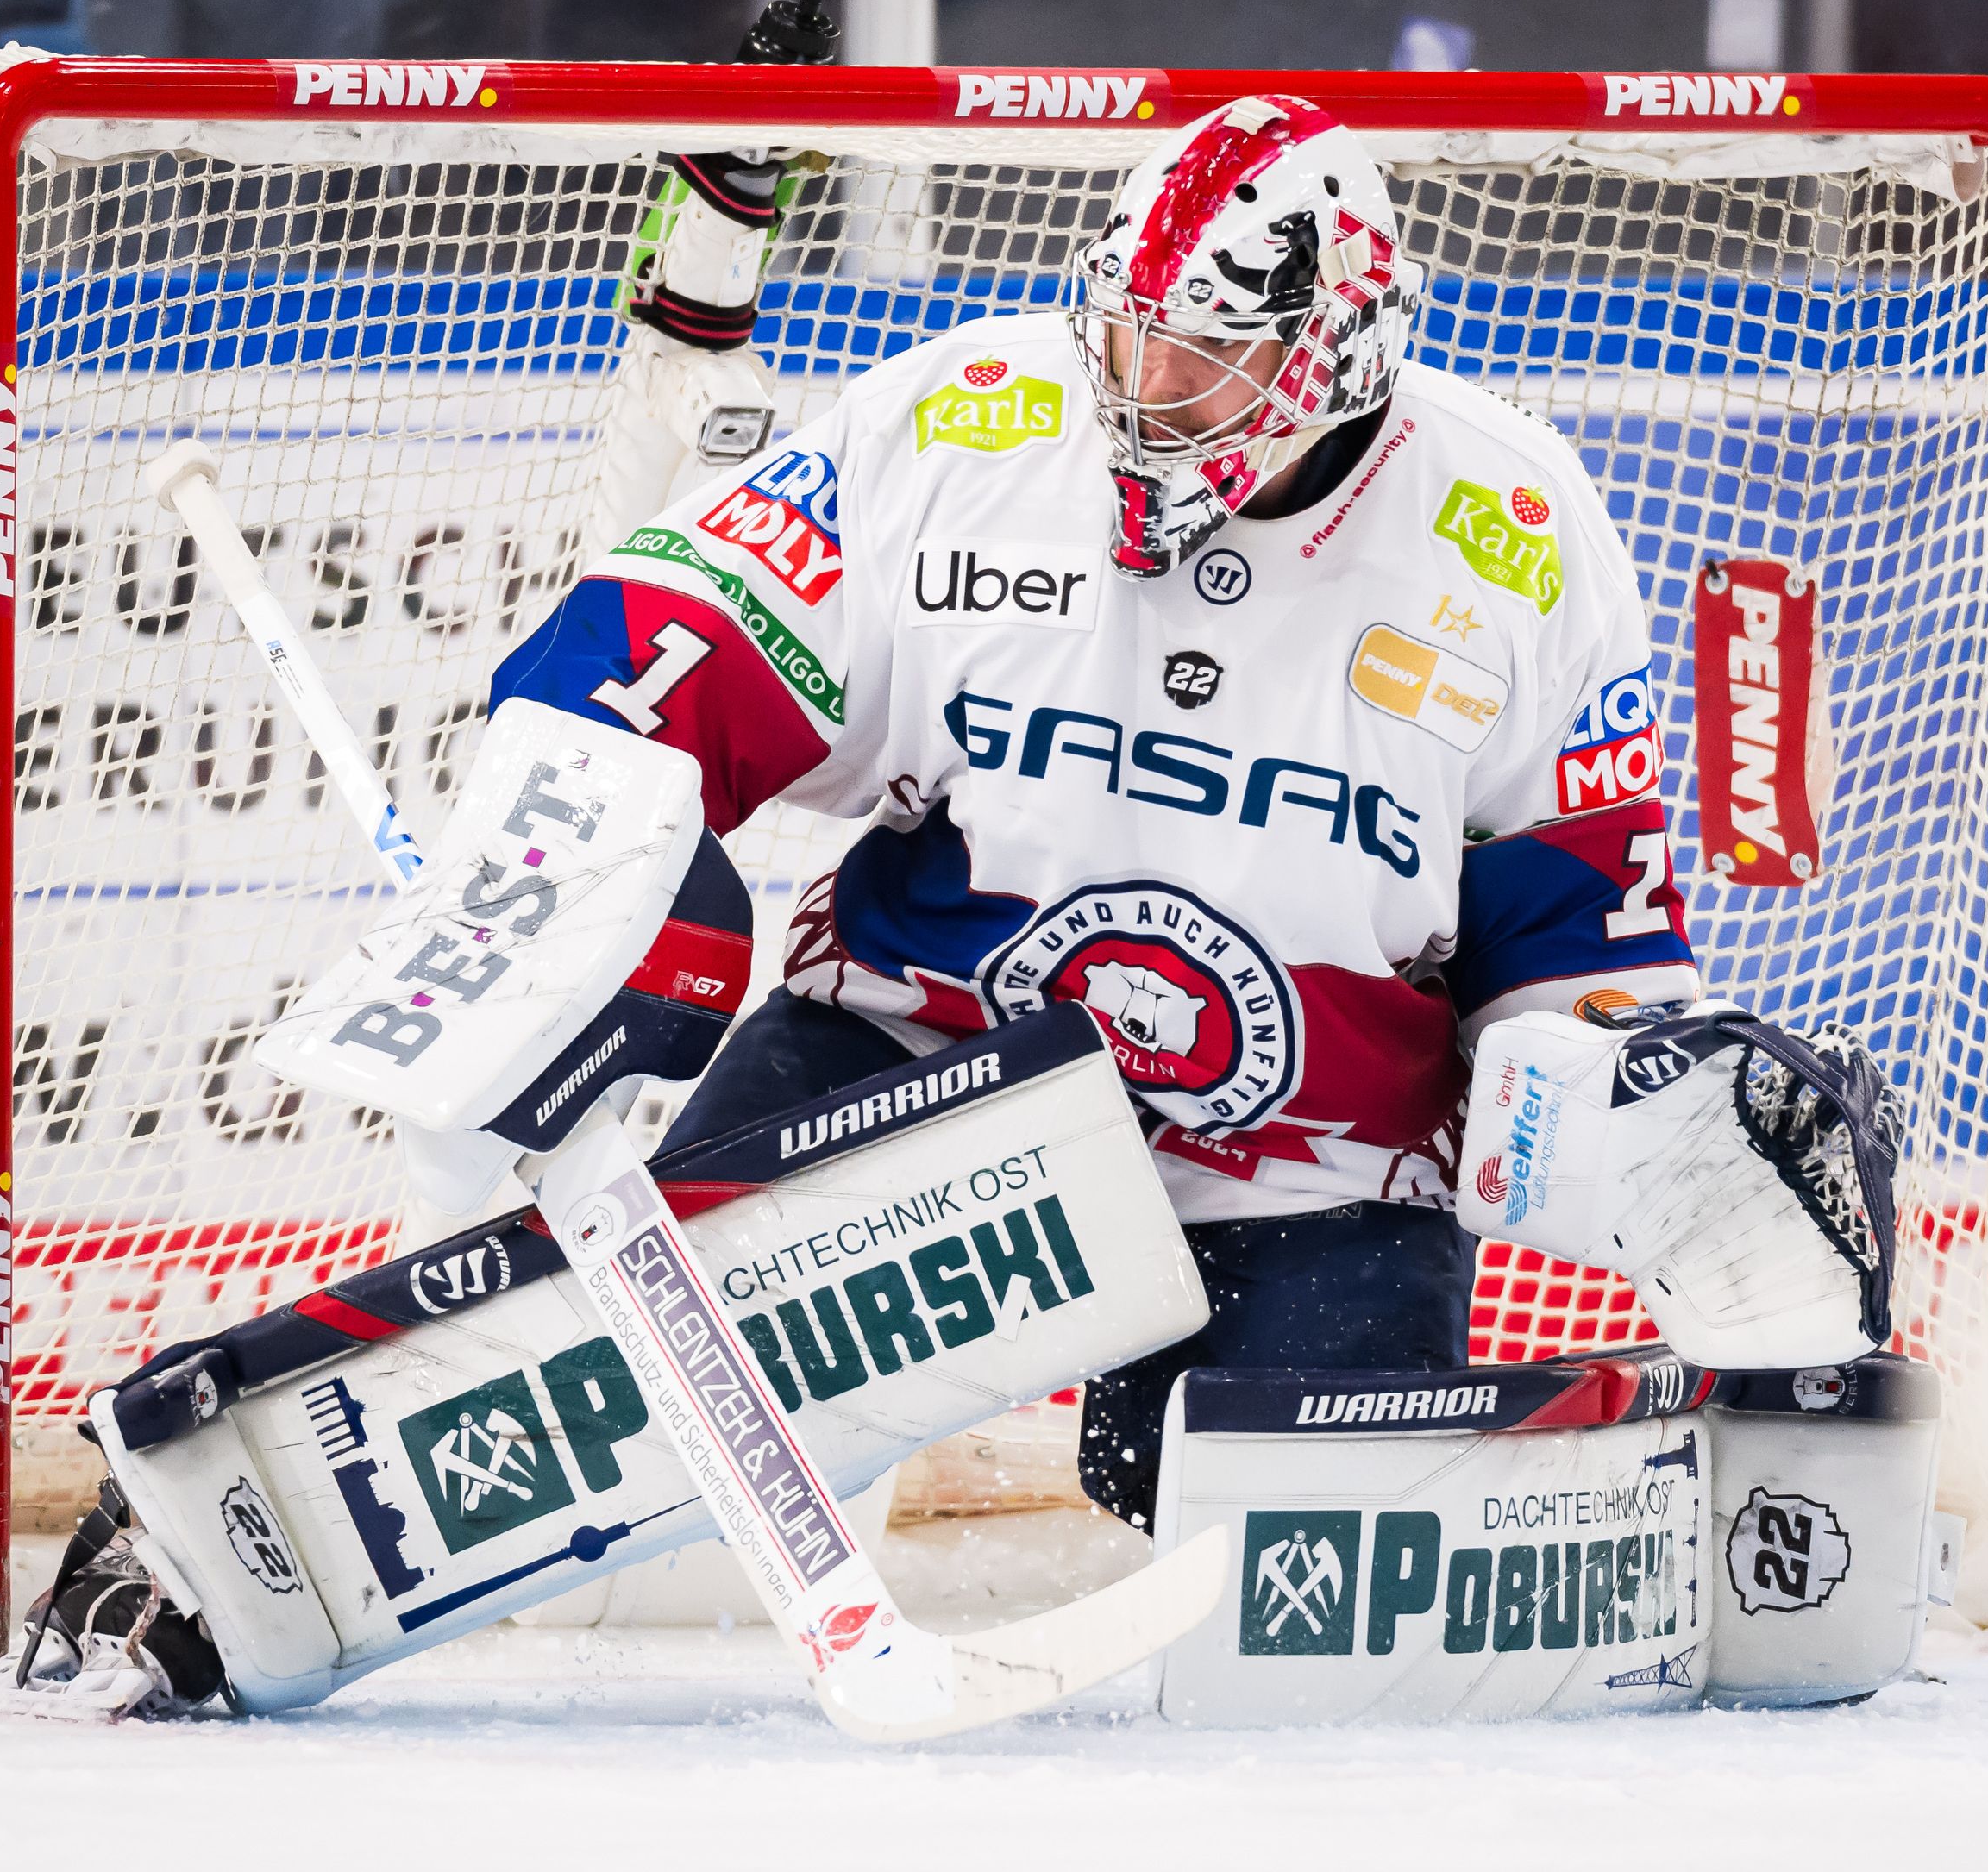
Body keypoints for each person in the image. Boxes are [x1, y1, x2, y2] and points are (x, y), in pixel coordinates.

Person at [486, 92, 1702, 1528]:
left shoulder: (1516, 527)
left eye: (1207, 356)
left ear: (1342, 355)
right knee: (633, 1438)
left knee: (1293, 1571)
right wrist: (601, 835)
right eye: (1128, 332)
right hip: (922, 1060)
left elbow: (1569, 940)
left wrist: (1660, 1103)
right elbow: (659, 643)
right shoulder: (968, 423)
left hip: (1309, 1153)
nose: (1145, 384)